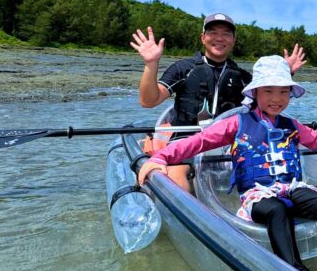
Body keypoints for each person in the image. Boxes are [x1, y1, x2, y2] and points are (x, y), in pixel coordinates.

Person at [137, 55, 317, 271]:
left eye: (283, 92)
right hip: (258, 196)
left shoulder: (292, 125)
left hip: (293, 188)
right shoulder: (236, 123)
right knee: (277, 210)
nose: (276, 98)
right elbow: (199, 142)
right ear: (255, 92)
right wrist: (161, 157)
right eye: (268, 91)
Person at [130, 13, 305, 189]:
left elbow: (270, 103)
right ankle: (190, 212)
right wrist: (151, 64)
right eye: (213, 32)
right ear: (203, 38)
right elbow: (148, 101)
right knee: (176, 175)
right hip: (185, 140)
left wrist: (284, 75)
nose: (219, 38)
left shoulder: (243, 77)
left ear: (233, 40)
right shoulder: (182, 69)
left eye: (226, 34)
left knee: (263, 167)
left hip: (228, 143)